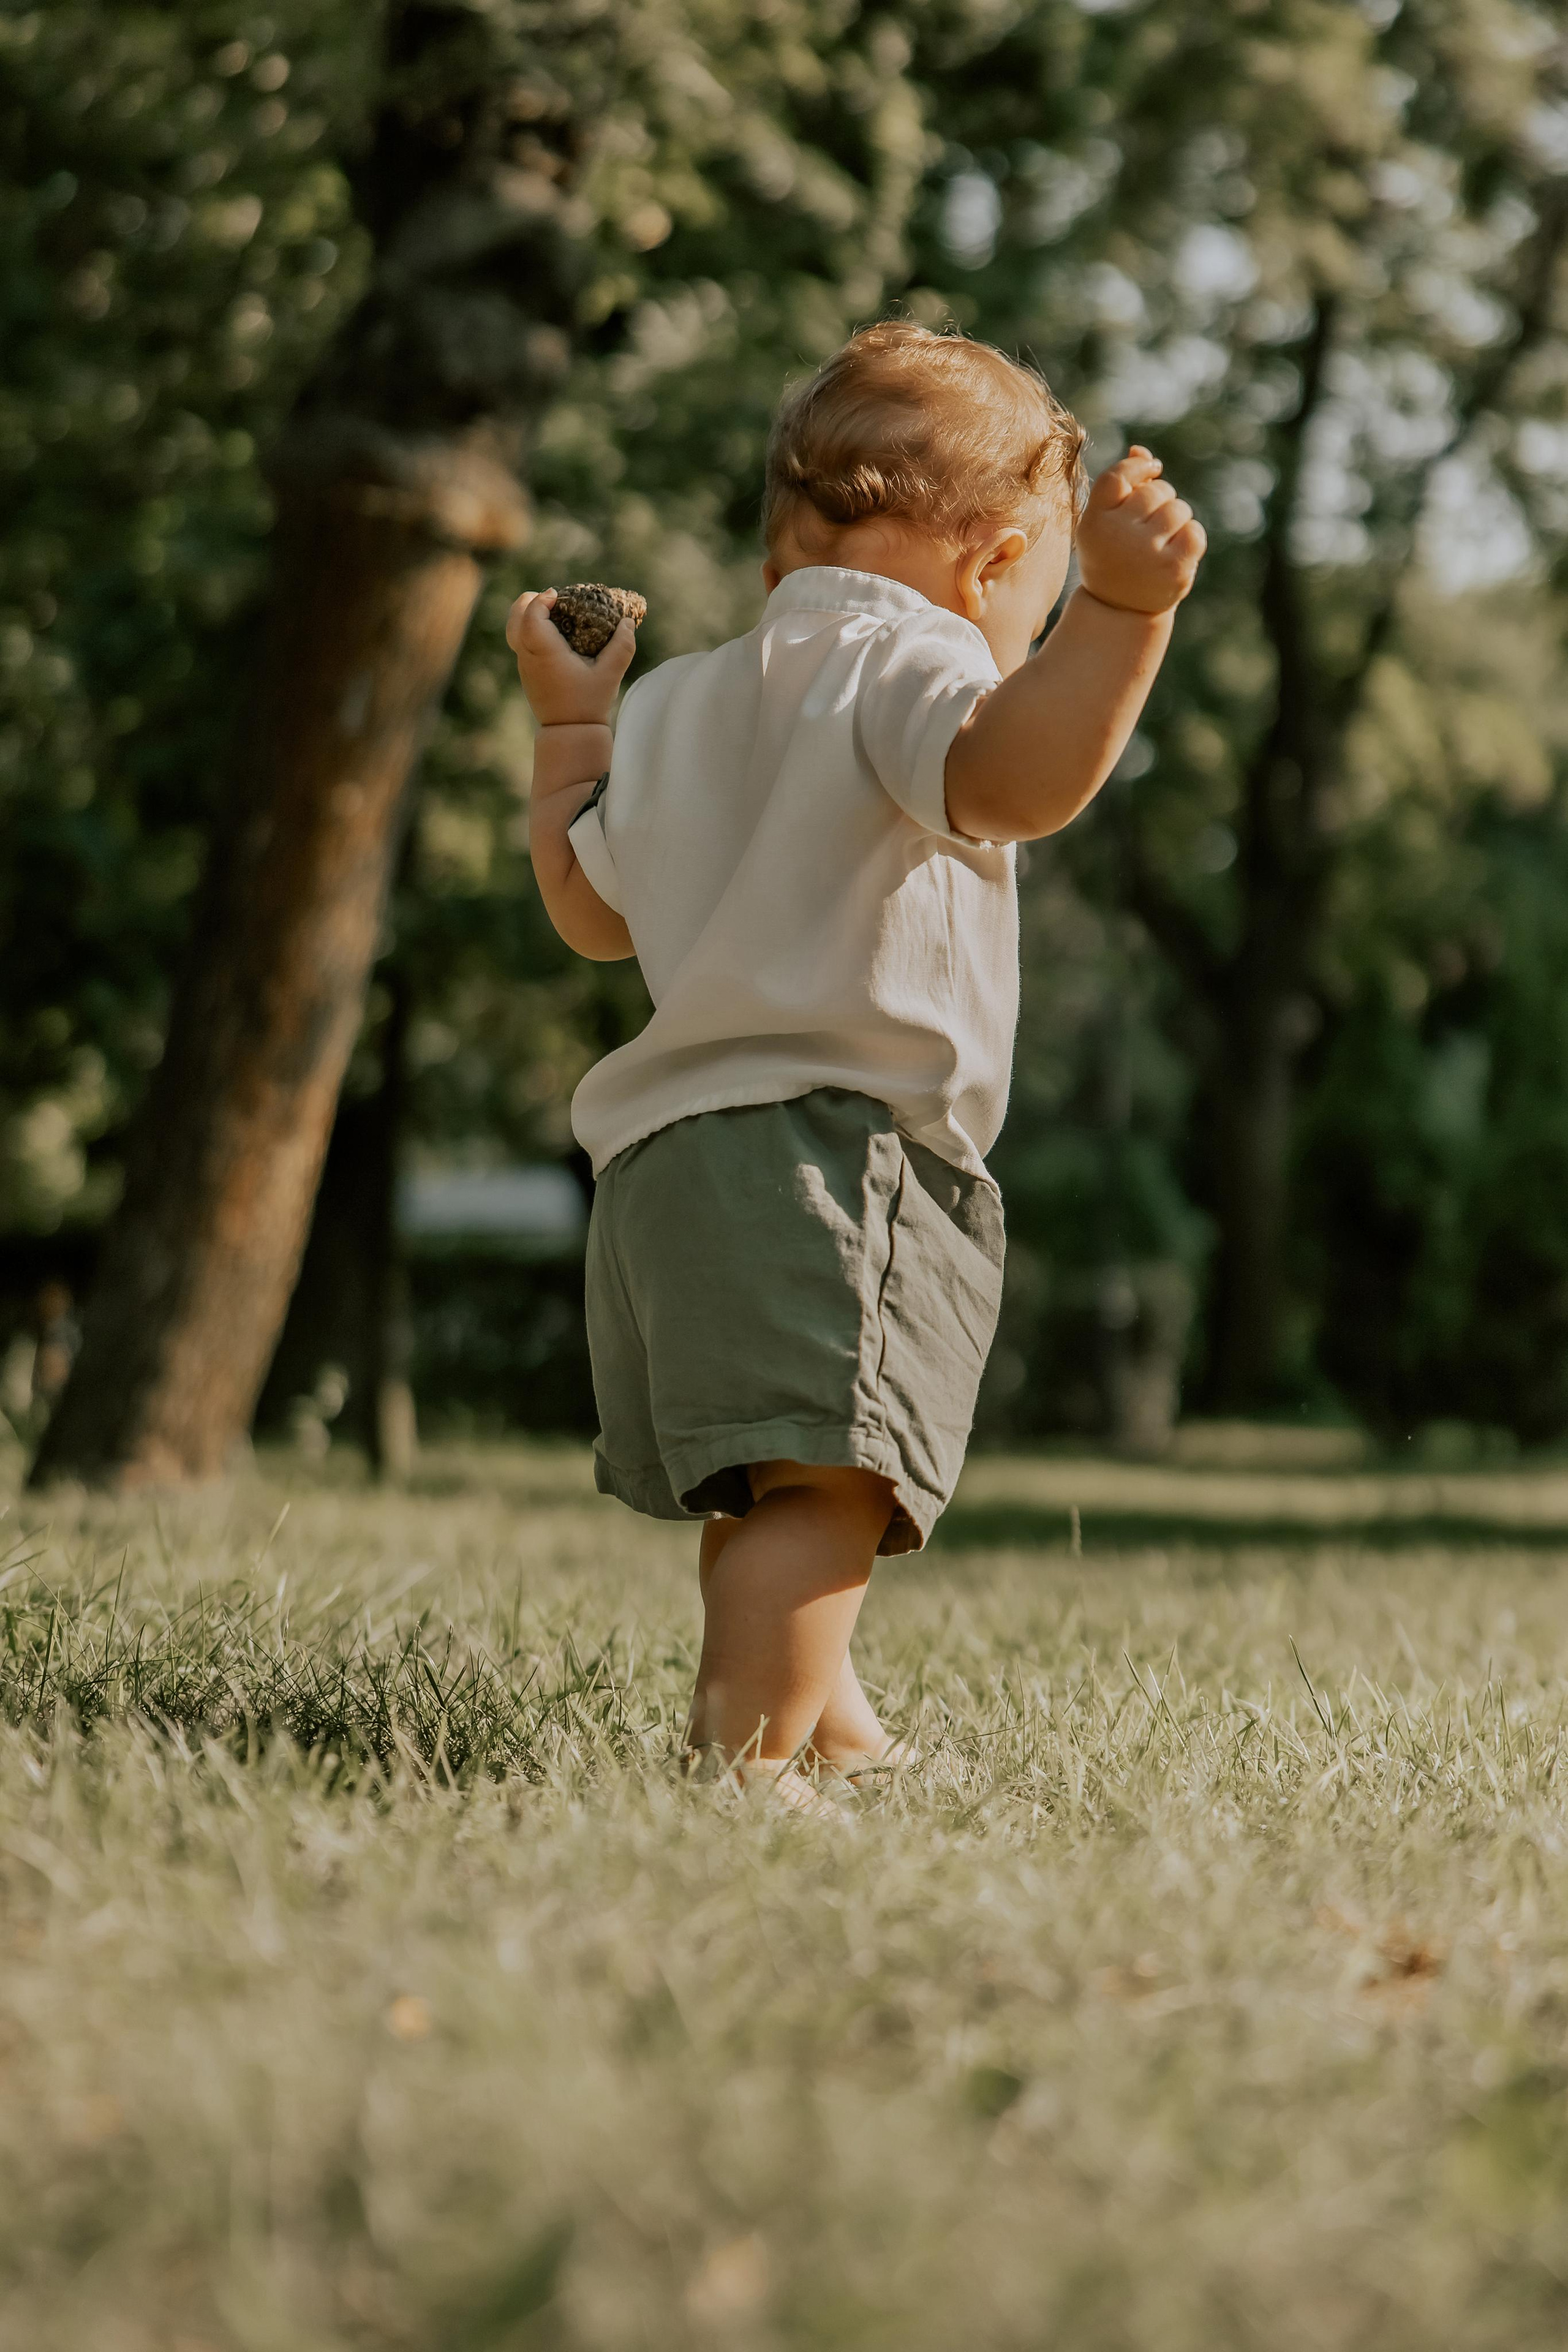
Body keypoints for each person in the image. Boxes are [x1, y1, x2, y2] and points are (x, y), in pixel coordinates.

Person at [506, 321, 1204, 1812]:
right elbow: (1012, 779)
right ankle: (741, 1771)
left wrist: (576, 723)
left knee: (780, 1477)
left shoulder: (690, 697)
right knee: (832, 1486)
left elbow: (584, 912)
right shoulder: (913, 653)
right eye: (1036, 598)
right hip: (828, 1148)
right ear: (994, 563)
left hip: (661, 1170)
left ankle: (827, 1727)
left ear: (778, 560)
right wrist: (1125, 615)